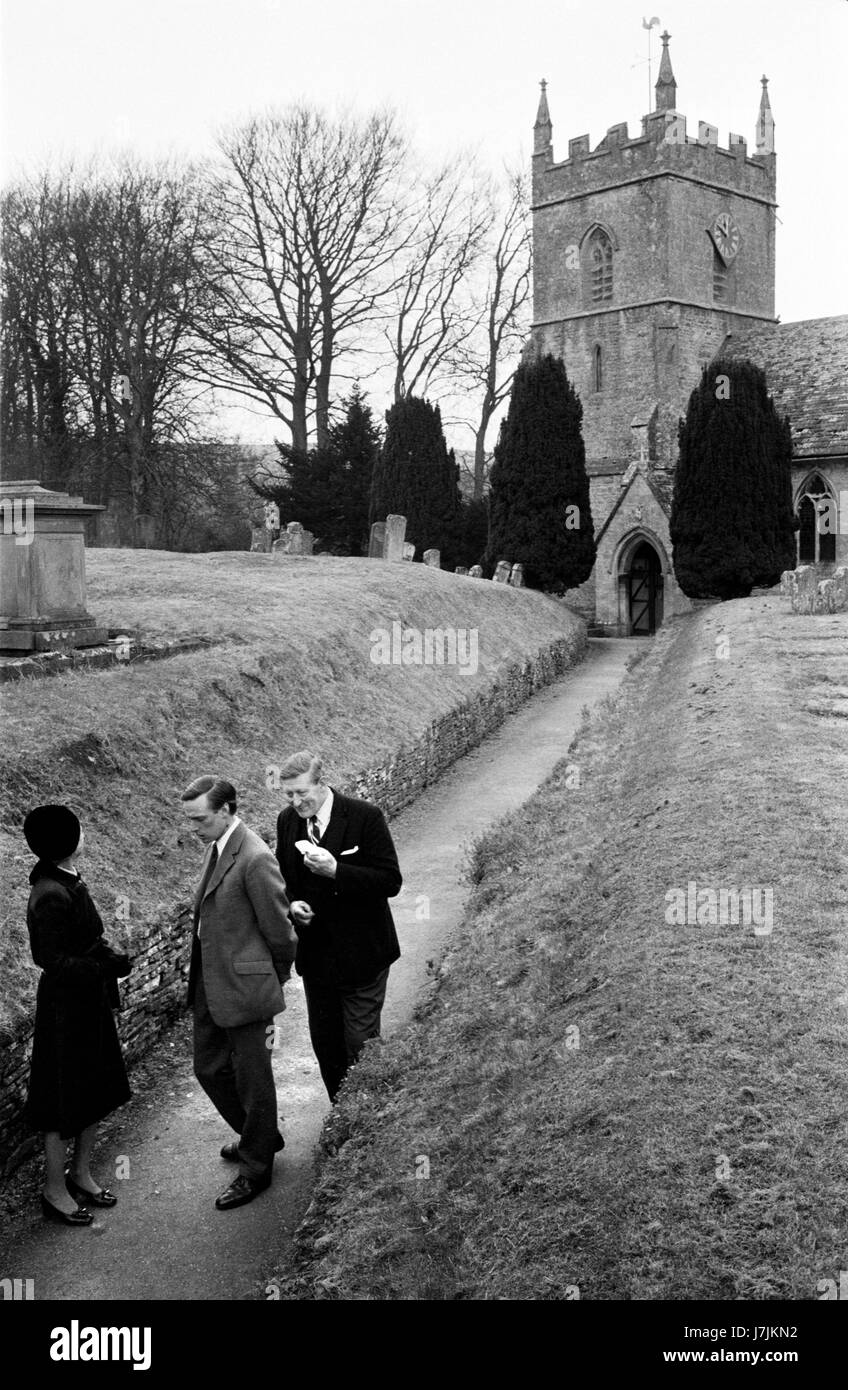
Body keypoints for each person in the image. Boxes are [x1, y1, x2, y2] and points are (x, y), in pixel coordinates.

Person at [181, 775, 297, 1211]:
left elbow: (280, 931)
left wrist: (272, 977)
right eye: (190, 819)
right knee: (208, 1068)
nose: (194, 827)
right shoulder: (216, 847)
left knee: (252, 1078)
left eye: (200, 818)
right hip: (210, 984)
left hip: (246, 987)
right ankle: (261, 1136)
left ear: (226, 810)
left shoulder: (255, 857)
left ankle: (256, 1168)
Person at [23, 804, 132, 1227]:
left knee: (94, 1088)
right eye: (78, 828)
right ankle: (54, 1189)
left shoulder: (66, 879)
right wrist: (105, 966)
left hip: (87, 1002)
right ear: (66, 841)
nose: (85, 832)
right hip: (65, 1009)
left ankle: (81, 1173)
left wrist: (110, 957)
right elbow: (50, 960)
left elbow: (85, 941)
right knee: (60, 1098)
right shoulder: (49, 892)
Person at [274, 751, 402, 1103]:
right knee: (327, 1047)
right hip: (317, 960)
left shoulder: (365, 817)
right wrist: (292, 905)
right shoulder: (287, 821)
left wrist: (337, 872)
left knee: (360, 1044)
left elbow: (390, 881)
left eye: (302, 793)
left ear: (321, 783)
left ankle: (369, 1115)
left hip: (364, 956)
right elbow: (286, 879)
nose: (296, 802)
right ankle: (342, 1118)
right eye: (289, 795)